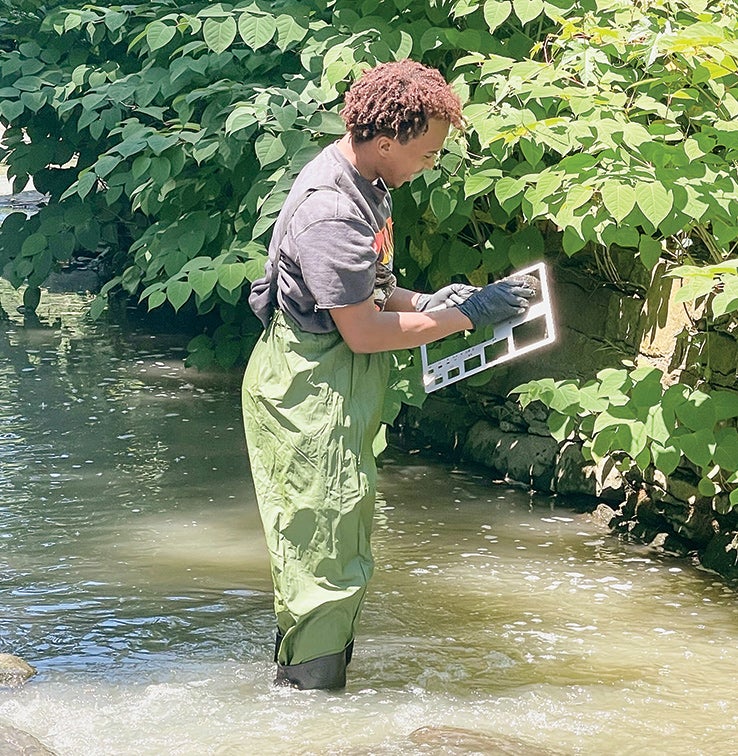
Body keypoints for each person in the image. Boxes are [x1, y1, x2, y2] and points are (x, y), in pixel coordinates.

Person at [242, 59, 535, 691]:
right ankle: (310, 711)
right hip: (309, 385)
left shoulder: (368, 180)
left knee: (339, 532)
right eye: (427, 153)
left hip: (339, 375)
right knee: (322, 541)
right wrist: (463, 317)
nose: (431, 164)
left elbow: (374, 295)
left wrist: (430, 301)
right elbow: (365, 331)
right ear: (384, 141)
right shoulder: (331, 210)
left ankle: (307, 681)